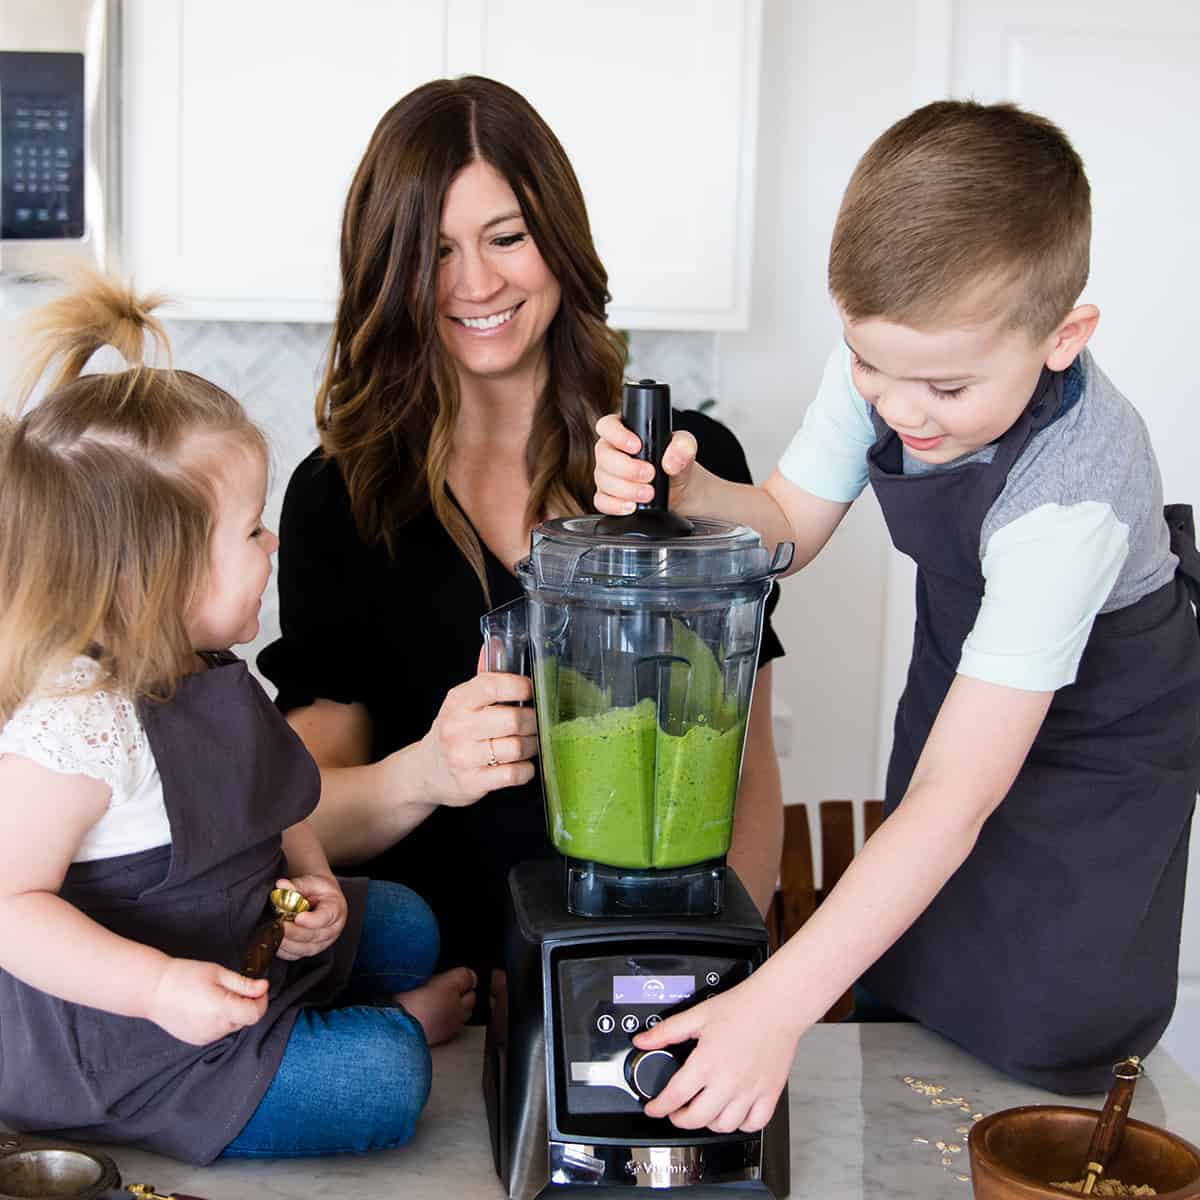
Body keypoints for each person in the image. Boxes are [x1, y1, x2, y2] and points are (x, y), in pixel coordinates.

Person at [594, 100, 1200, 1129]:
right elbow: (786, 523)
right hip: (970, 672)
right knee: (909, 980)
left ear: (1064, 339)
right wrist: (691, 497)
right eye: (872, 366)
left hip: (1101, 751)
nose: (904, 411)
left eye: (947, 387)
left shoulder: (1072, 504)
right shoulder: (895, 356)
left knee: (1045, 1028)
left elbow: (953, 803)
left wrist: (777, 1006)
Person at [257, 75, 785, 1010]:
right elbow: (308, 819)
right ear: (390, 268)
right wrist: (430, 770)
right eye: (435, 251)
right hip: (426, 1001)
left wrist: (718, 989)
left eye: (507, 238)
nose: (476, 284)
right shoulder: (341, 498)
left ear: (561, 240)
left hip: (649, 988)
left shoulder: (680, 467)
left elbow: (744, 772)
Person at [0, 277, 476, 1164]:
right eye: (252, 532)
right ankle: (370, 1029)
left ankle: (306, 1016)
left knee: (406, 922)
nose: (274, 548)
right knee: (385, 1077)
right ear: (161, 574)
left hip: (234, 946)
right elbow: (9, 907)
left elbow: (279, 803)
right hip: (130, 1042)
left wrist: (316, 881)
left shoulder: (210, 669)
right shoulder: (74, 727)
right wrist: (155, 989)